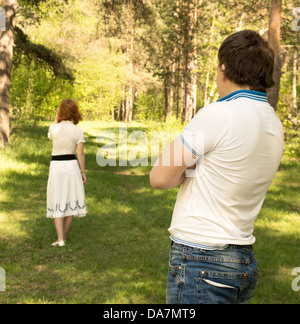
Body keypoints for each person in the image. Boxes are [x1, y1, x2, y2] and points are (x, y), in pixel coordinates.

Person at [150, 30, 284, 304]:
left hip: (201, 257)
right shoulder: (274, 123)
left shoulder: (218, 114)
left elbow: (160, 176)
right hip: (241, 260)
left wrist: (187, 170)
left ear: (224, 70)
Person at [47, 99, 87, 247]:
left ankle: (60, 239)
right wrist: (83, 172)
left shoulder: (54, 128)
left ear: (61, 111)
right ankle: (63, 236)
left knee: (58, 198)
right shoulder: (78, 130)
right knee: (70, 199)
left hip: (56, 166)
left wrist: (56, 119)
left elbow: (51, 136)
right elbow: (80, 154)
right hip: (71, 166)